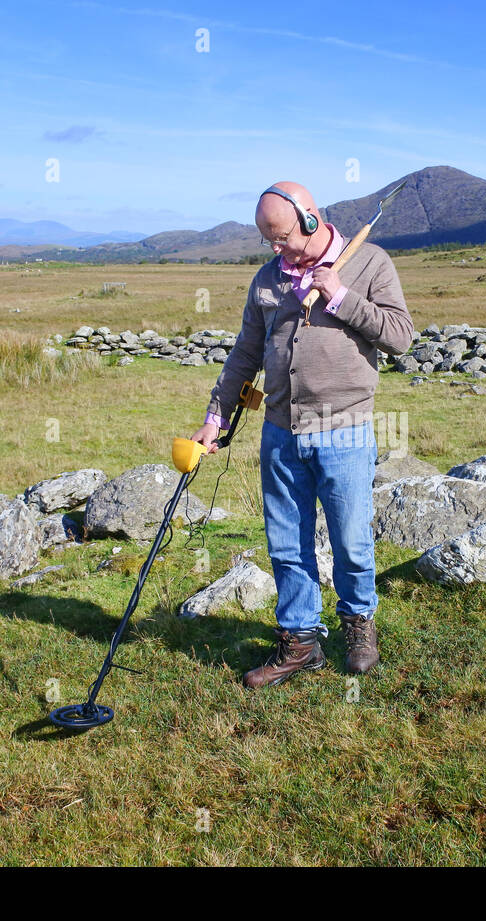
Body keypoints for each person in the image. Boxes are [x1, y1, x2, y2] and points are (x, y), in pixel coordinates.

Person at [190, 181, 414, 688]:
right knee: (287, 544)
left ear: (310, 221)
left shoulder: (369, 262)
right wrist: (216, 416)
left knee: (351, 538)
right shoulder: (267, 280)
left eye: (281, 236)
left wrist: (341, 296)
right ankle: (300, 642)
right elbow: (245, 353)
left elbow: (400, 336)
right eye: (267, 238)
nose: (274, 248)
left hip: (345, 428)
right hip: (280, 431)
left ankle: (358, 625)